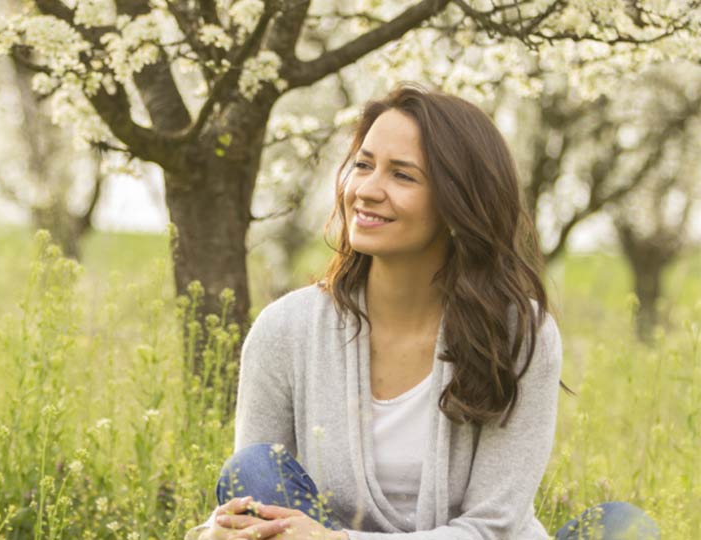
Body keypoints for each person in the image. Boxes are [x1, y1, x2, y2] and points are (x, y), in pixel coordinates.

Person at [186, 85, 659, 540]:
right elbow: (253, 509)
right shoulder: (286, 330)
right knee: (251, 468)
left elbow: (494, 528)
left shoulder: (516, 331)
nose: (367, 190)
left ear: (458, 203)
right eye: (363, 165)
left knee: (624, 527)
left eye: (402, 175)